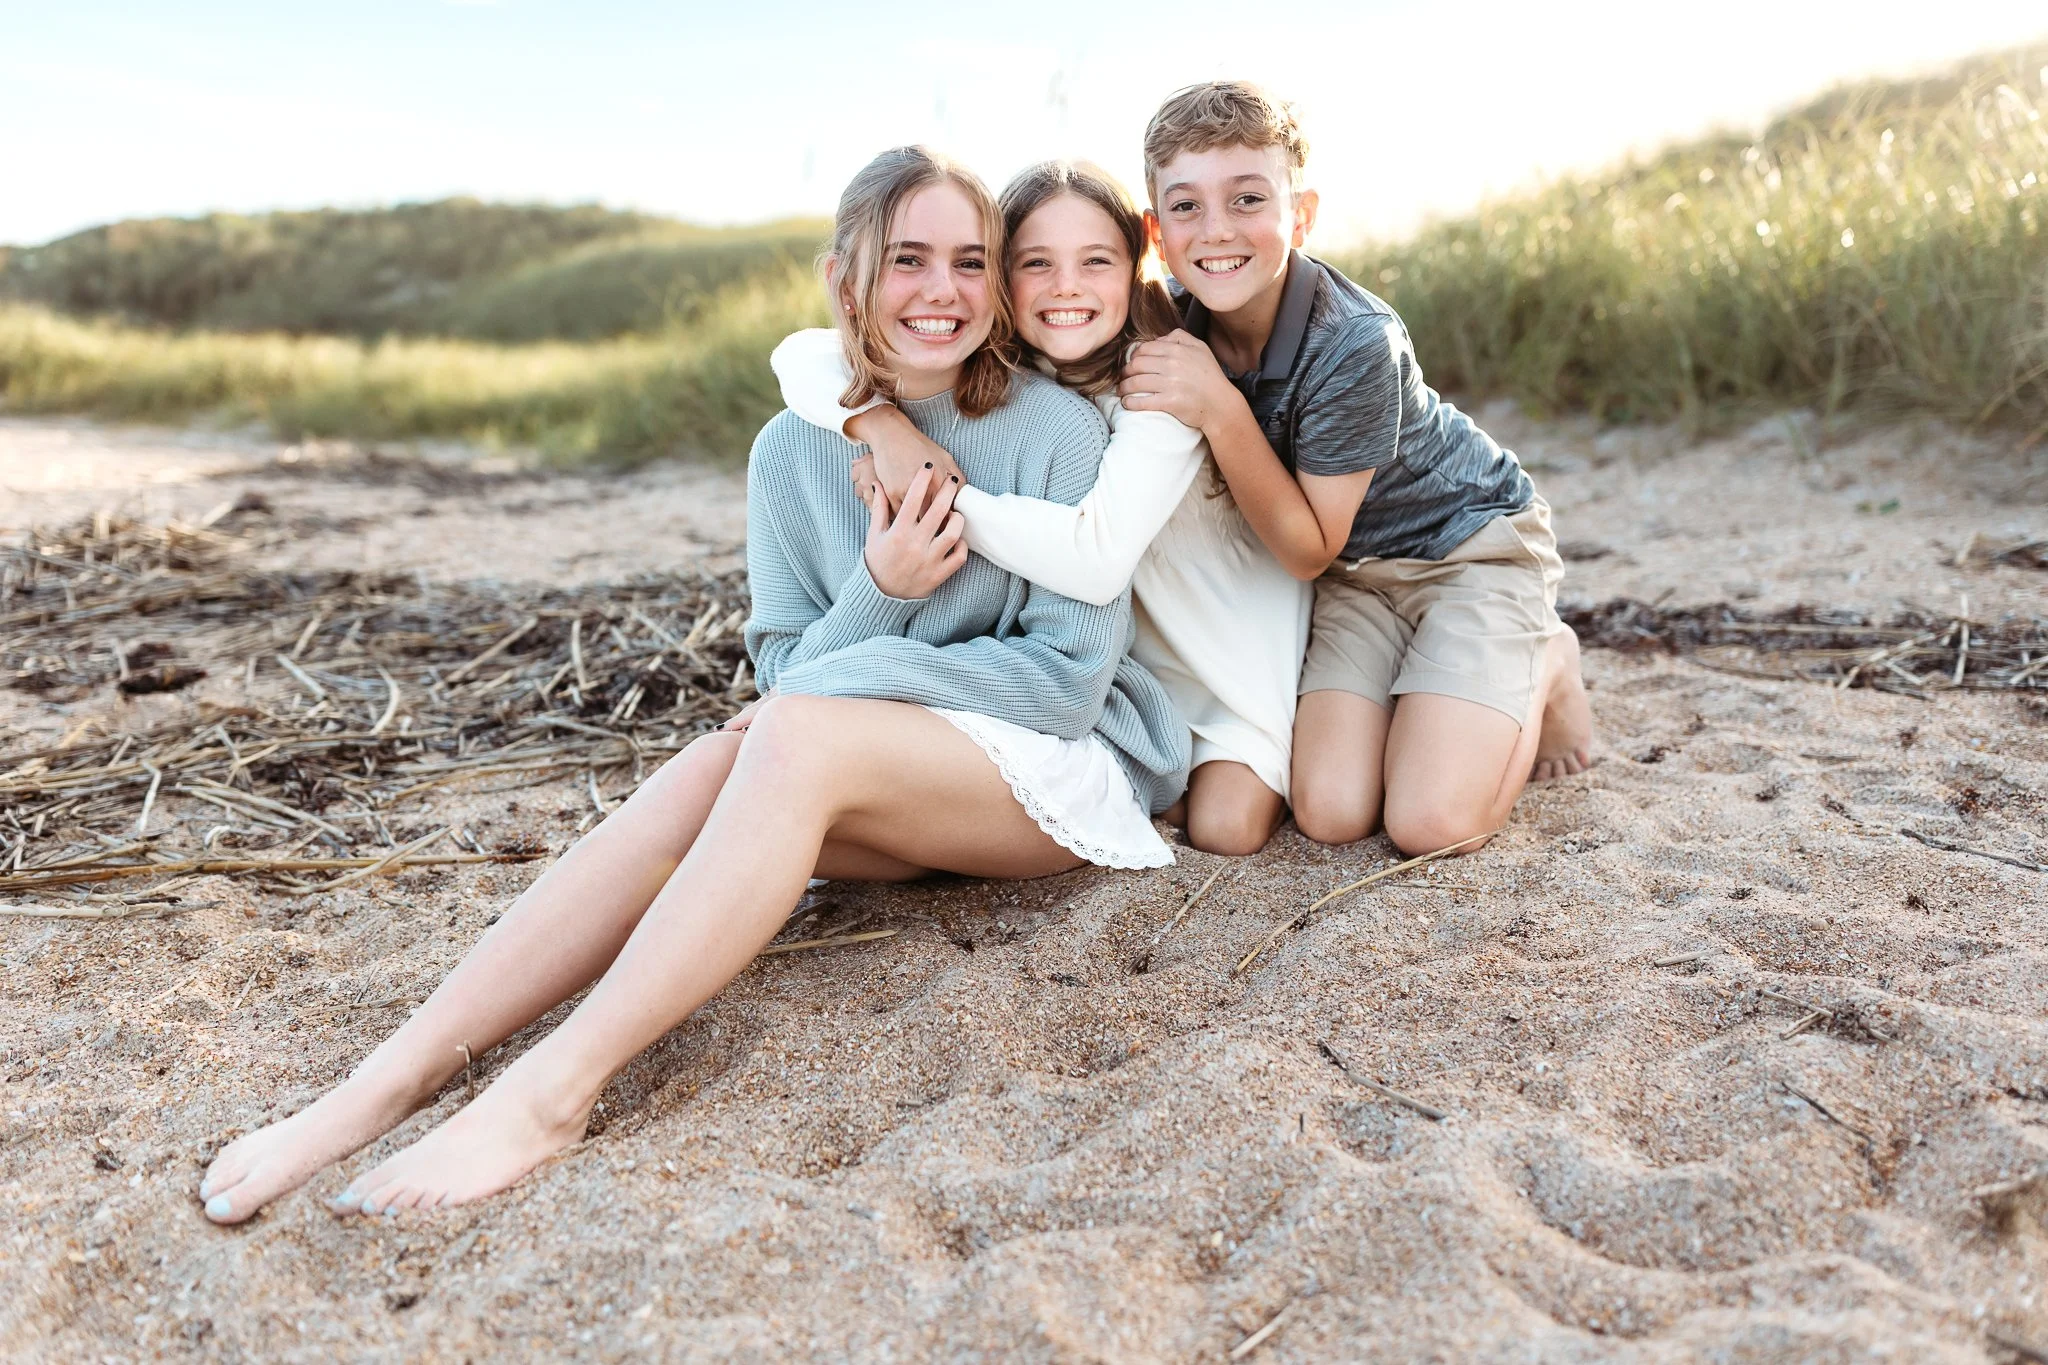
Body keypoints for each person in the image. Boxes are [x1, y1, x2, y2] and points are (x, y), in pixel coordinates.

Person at [194, 146, 1187, 1223]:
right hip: (863, 780)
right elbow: (784, 678)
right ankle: (386, 1082)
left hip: (1056, 782)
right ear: (842, 278)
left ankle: (552, 1090)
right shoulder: (785, 453)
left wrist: (848, 676)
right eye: (907, 260)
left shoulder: (1051, 426)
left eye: (968, 261)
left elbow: (1061, 686)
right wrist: (881, 589)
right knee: (725, 759)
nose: (940, 293)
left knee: (784, 737)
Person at [772, 160, 1310, 857]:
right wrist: (881, 425)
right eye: (1035, 264)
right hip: (1132, 670)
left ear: (1136, 263)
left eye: (1095, 261)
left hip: (1224, 661)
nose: (1066, 287)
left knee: (1225, 829)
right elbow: (801, 355)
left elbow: (1094, 561)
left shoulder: (1159, 386)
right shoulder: (1028, 369)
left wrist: (938, 495)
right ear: (1000, 277)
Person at [1116, 80, 1595, 856]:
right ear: (1154, 232)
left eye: (1247, 199)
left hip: (1466, 546)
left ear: (1300, 214)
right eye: (1185, 207)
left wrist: (1221, 407)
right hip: (1353, 577)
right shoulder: (1170, 314)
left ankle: (1547, 655)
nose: (1216, 230)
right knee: (1332, 813)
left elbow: (1306, 545)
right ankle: (1444, 680)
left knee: (1430, 825)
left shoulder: (1353, 341)